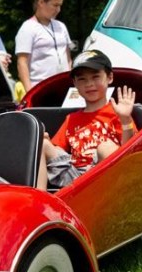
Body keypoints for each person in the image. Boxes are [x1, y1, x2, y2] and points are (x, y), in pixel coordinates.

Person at [36, 50, 136, 191]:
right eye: (82, 79)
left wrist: (126, 120)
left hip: (105, 176)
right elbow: (58, 149)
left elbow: (129, 153)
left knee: (105, 146)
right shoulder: (72, 118)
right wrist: (46, 140)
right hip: (75, 176)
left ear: (110, 77)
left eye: (95, 77)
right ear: (75, 84)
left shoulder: (118, 114)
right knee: (43, 143)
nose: (89, 84)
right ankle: (40, 197)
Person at [15, 0, 73, 92]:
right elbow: (22, 62)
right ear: (41, 2)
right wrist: (29, 91)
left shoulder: (61, 26)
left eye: (60, 5)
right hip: (41, 86)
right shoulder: (28, 27)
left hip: (64, 85)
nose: (58, 10)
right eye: (55, 5)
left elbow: (68, 57)